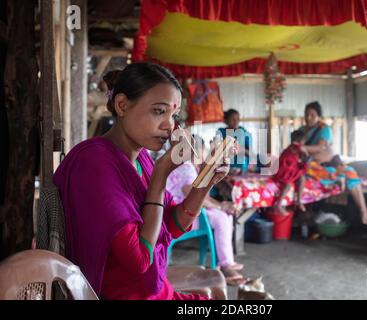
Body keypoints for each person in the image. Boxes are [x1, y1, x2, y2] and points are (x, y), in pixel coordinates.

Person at [53, 63, 231, 300]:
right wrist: (160, 175)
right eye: (159, 111)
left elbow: (171, 225)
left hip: (156, 292)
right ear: (122, 105)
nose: (169, 125)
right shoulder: (93, 163)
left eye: (173, 115)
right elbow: (140, 259)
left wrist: (207, 180)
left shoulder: (141, 159)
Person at [167, 135, 247, 285]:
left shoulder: (182, 166)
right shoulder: (187, 168)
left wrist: (220, 205)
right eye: (204, 149)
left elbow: (199, 196)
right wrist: (221, 206)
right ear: (197, 152)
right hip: (180, 219)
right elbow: (193, 196)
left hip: (178, 214)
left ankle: (224, 261)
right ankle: (226, 265)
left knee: (224, 215)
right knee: (222, 217)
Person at [297, 101, 367, 225]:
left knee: (351, 173)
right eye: (307, 114)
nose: (309, 117)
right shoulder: (301, 130)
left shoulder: (324, 129)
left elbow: (320, 147)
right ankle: (339, 179)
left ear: (318, 116)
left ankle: (364, 212)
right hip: (315, 164)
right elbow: (297, 147)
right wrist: (301, 147)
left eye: (312, 115)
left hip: (331, 161)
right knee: (324, 172)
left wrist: (303, 148)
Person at [272, 130, 308, 215]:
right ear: (300, 141)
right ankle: (278, 204)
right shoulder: (294, 147)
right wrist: (305, 153)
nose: (303, 144)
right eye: (303, 142)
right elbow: (302, 152)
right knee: (288, 184)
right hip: (283, 171)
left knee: (302, 178)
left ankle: (299, 200)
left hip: (290, 169)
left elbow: (297, 159)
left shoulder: (295, 148)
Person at [217, 109, 252, 174]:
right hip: (224, 169)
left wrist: (240, 149)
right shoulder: (221, 132)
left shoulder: (244, 133)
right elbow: (217, 151)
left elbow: (250, 153)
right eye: (232, 119)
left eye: (238, 119)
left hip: (241, 170)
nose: (236, 122)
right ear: (226, 121)